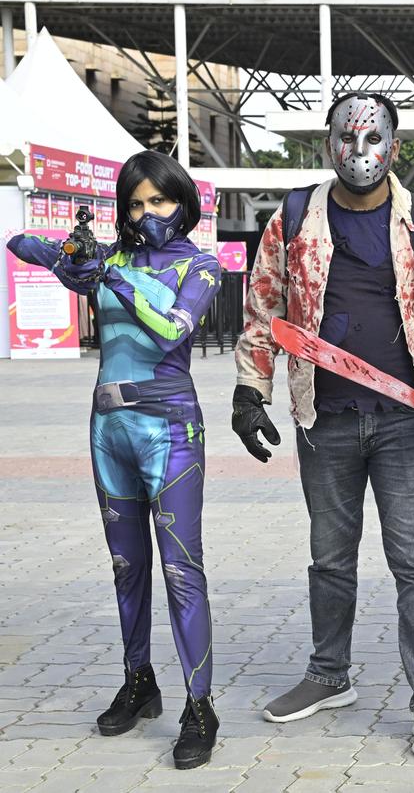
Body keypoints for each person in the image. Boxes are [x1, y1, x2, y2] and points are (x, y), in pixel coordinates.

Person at [231, 92, 414, 759]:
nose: (360, 151)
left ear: (394, 148)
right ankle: (328, 675)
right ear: (328, 145)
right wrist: (250, 391)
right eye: (347, 137)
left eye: (374, 139)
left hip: (403, 420)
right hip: (324, 420)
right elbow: (263, 309)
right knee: (329, 558)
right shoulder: (293, 219)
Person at [7, 150, 222, 769]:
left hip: (169, 431)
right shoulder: (111, 259)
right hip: (108, 429)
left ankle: (200, 707)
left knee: (181, 571)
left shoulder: (199, 265)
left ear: (183, 202)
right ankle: (139, 683)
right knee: (127, 566)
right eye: (134, 204)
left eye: (159, 200)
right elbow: (21, 244)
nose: (146, 213)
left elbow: (171, 330)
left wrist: (109, 275)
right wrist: (72, 255)